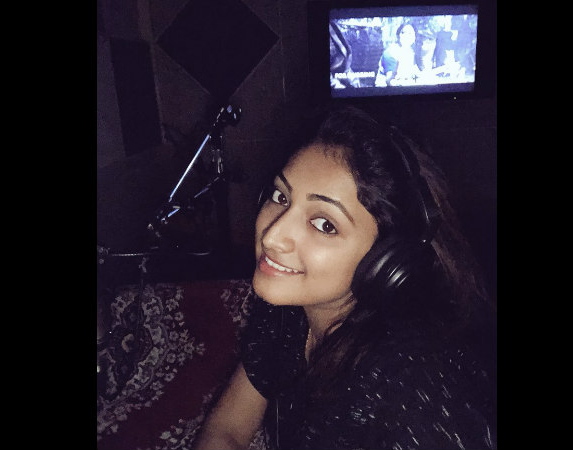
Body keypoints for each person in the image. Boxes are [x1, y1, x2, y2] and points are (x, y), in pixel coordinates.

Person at [194, 105, 497, 450]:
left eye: (325, 224)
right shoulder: (289, 310)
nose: (272, 237)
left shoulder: (413, 389)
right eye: (281, 197)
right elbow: (227, 429)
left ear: (386, 259)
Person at [375, 23, 421, 87]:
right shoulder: (390, 52)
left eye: (410, 33)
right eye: (403, 32)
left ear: (414, 38)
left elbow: (416, 73)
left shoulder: (411, 52)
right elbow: (390, 81)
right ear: (398, 36)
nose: (406, 36)